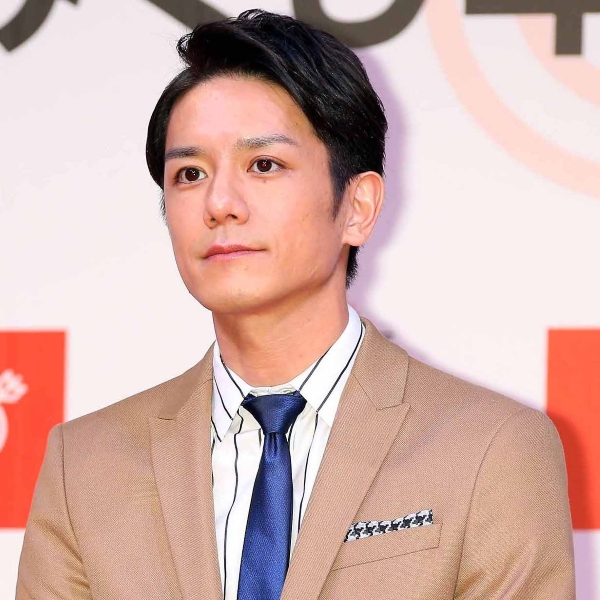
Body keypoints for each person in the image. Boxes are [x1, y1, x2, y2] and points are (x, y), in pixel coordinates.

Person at [16, 9, 574, 600]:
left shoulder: (490, 448)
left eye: (264, 165)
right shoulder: (85, 466)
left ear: (357, 206)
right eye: (190, 173)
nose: (220, 203)